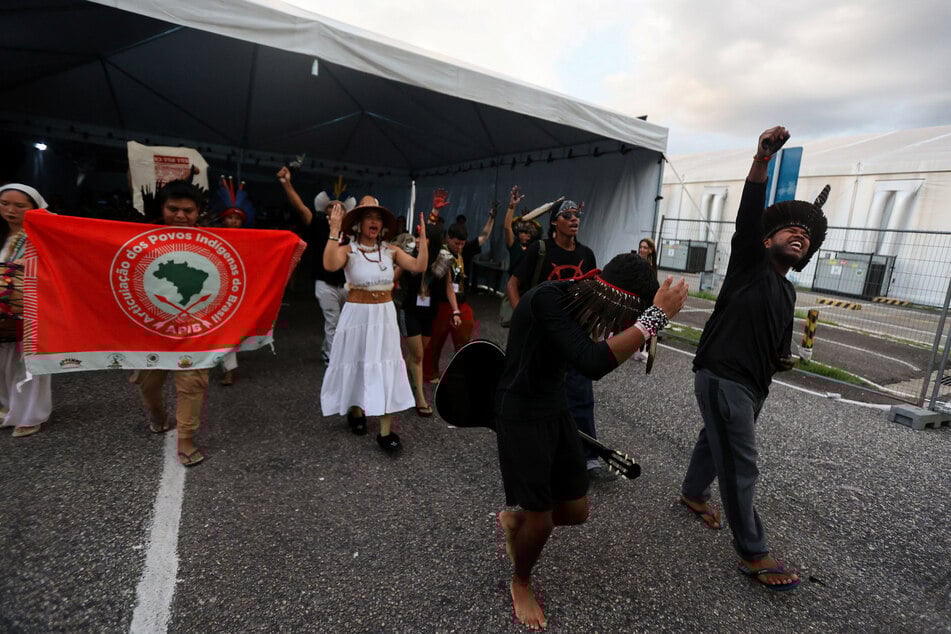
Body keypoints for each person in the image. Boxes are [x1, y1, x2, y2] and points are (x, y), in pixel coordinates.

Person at [497, 254, 688, 629]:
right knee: (542, 522)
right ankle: (520, 581)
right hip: (519, 412)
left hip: (555, 407)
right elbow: (592, 362)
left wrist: (647, 318)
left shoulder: (580, 302)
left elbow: (594, 356)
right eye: (626, 314)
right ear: (611, 296)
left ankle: (515, 520)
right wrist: (653, 319)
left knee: (576, 511)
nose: (620, 324)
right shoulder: (548, 299)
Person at [679, 126, 828, 592]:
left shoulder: (787, 290)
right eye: (791, 229)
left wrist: (781, 357)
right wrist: (762, 161)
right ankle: (753, 552)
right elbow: (748, 218)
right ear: (766, 241)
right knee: (741, 464)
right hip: (723, 376)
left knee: (714, 440)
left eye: (807, 235)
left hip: (753, 384)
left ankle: (692, 493)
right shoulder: (749, 263)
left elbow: (777, 341)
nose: (800, 235)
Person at [506, 199, 613, 482]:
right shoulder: (540, 250)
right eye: (567, 215)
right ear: (554, 221)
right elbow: (513, 284)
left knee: (582, 396)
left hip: (575, 336)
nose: (574, 219)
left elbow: (593, 291)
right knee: (537, 394)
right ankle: (532, 448)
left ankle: (589, 459)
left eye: (577, 214)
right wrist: (523, 317)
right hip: (541, 338)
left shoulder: (586, 254)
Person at [320, 196, 429, 453]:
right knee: (357, 362)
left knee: (384, 367)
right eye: (369, 217)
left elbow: (419, 265)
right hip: (356, 315)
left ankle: (385, 431)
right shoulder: (349, 250)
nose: (374, 222)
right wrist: (334, 231)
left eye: (378, 218)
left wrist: (424, 242)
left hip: (384, 316)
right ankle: (356, 410)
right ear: (358, 223)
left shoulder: (391, 251)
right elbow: (329, 264)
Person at [131, 180, 212, 466]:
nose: (180, 215)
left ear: (198, 212)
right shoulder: (139, 240)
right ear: (161, 208)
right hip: (151, 329)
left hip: (194, 329)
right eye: (173, 208)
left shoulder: (215, 244)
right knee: (148, 384)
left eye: (188, 210)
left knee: (192, 384)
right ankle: (157, 414)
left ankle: (186, 438)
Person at [277, 166, 355, 365]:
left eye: (340, 206)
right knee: (333, 320)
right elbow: (300, 207)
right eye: (331, 206)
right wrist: (287, 184)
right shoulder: (317, 224)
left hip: (347, 285)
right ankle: (333, 360)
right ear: (324, 209)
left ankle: (327, 350)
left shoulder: (352, 231)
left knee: (343, 322)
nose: (335, 209)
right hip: (324, 283)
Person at [0, 184, 52, 438]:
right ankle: (7, 407)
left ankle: (31, 414)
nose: (11, 210)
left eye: (20, 206)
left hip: (31, 309)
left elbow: (58, 265)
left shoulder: (43, 235)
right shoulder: (3, 234)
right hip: (3, 313)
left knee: (30, 364)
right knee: (2, 363)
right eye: (4, 204)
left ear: (35, 208)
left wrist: (31, 263)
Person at [424, 211, 496, 382]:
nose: (459, 247)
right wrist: (434, 213)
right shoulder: (440, 253)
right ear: (448, 238)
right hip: (441, 304)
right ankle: (430, 372)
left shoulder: (465, 251)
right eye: (456, 243)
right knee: (435, 341)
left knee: (464, 340)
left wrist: (491, 217)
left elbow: (484, 236)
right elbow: (427, 233)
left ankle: (461, 372)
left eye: (462, 244)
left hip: (461, 303)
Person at [394, 224, 450, 416]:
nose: (416, 240)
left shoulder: (443, 260)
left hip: (429, 313)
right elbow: (393, 277)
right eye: (417, 236)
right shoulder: (408, 256)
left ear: (431, 242)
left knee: (415, 355)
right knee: (418, 356)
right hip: (409, 310)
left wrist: (456, 310)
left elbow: (449, 287)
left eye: (421, 237)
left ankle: (399, 376)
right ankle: (420, 399)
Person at [209, 176, 256, 385]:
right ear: (223, 219)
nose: (234, 221)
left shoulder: (250, 240)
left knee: (229, 331)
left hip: (237, 292)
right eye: (230, 217)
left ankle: (228, 369)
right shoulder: (210, 237)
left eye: (237, 218)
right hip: (211, 290)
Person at [632, 237, 658, 363]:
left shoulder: (651, 265)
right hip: (634, 298)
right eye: (641, 247)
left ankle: (641, 351)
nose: (642, 250)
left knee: (644, 325)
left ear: (651, 250)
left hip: (646, 300)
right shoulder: (636, 261)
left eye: (645, 247)